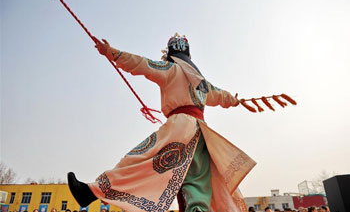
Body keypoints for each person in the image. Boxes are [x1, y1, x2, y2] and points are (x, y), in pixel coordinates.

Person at [67, 33, 256, 212]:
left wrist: (113, 53)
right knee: (198, 179)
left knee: (142, 159)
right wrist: (235, 100)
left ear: (170, 53)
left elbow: (142, 64)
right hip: (202, 133)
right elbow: (221, 96)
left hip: (180, 128)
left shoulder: (171, 69)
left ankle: (92, 191)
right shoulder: (202, 83)